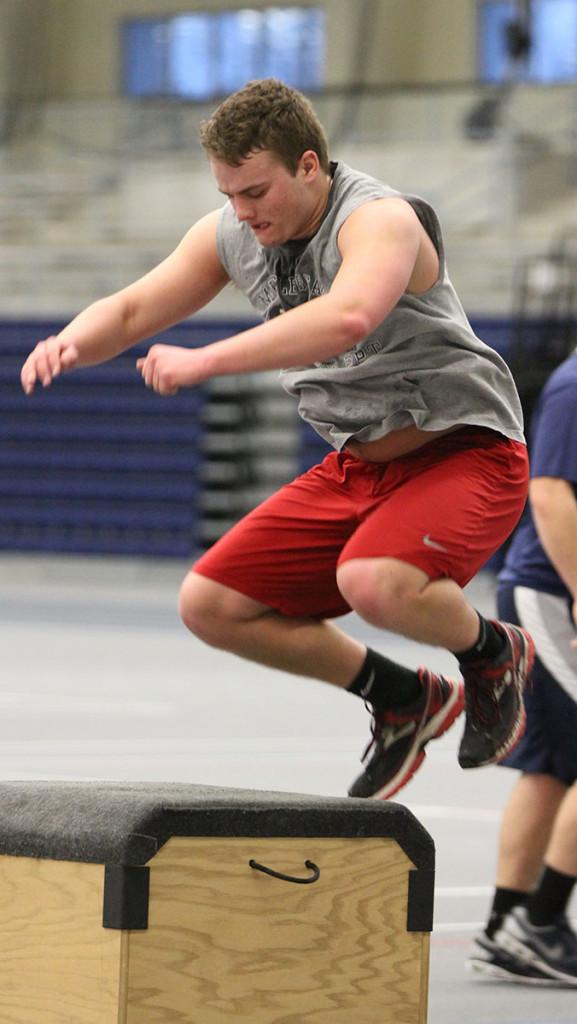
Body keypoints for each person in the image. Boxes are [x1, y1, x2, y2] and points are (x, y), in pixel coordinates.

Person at [20, 78, 534, 800]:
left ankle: (490, 654)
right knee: (211, 604)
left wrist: (207, 359)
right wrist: (71, 342)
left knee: (372, 580)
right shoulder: (232, 233)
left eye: (255, 191)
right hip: (360, 466)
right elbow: (136, 306)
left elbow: (349, 316)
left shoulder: (379, 219)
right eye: (229, 194)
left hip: (463, 451)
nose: (241, 211)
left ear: (308, 166)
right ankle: (400, 697)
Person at [467, 349, 577, 986]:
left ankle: (505, 924)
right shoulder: (574, 386)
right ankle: (541, 923)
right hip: (552, 594)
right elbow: (552, 493)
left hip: (553, 593)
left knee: (552, 764)